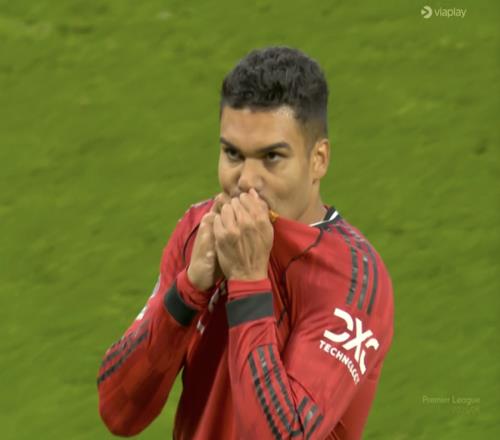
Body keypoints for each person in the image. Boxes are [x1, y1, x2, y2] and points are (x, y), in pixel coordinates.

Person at [97, 46, 394, 440]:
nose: (247, 180)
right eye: (233, 154)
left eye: (272, 157)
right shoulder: (200, 230)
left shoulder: (353, 279)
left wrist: (249, 281)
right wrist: (188, 290)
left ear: (318, 160)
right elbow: (119, 411)